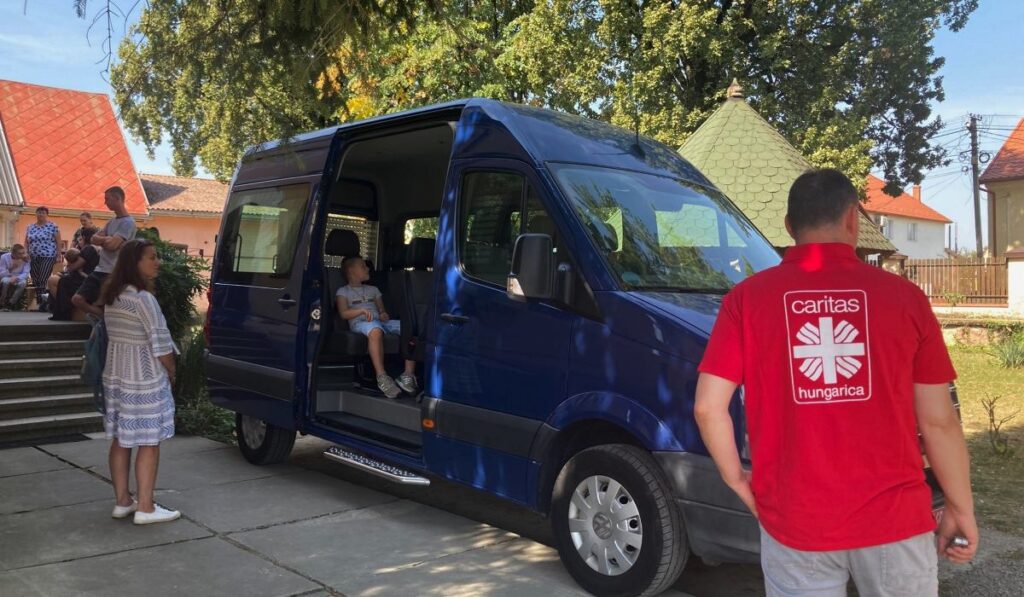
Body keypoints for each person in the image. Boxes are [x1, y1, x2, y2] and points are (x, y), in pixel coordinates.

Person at [694, 169, 977, 596]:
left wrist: (737, 481)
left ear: (789, 227)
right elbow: (938, 422)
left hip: (795, 521)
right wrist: (960, 507)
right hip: (894, 519)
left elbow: (708, 408)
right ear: (852, 219)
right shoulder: (905, 299)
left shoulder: (746, 300)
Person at [99, 239, 180, 525]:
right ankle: (145, 507)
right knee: (149, 440)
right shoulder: (143, 299)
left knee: (121, 439)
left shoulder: (114, 296)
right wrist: (172, 371)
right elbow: (161, 345)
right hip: (143, 380)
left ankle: (123, 501)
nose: (157, 262)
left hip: (117, 377)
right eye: (151, 257)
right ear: (135, 262)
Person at [335, 256, 418, 398]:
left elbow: (382, 311)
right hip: (360, 323)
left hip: (379, 321)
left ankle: (408, 374)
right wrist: (361, 311)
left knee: (409, 327)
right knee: (375, 330)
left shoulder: (373, 289)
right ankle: (382, 376)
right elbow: (343, 313)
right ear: (351, 271)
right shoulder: (343, 291)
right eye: (363, 266)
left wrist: (383, 314)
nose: (368, 268)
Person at [72, 186, 136, 317]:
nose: (105, 202)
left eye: (107, 199)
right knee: (77, 299)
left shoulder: (128, 223)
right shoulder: (111, 222)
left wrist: (106, 240)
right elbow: (93, 239)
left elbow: (112, 246)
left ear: (117, 198)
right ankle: (103, 318)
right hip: (99, 270)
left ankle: (104, 321)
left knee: (106, 304)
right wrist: (107, 239)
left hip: (113, 272)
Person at [48, 227, 99, 321]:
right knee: (58, 280)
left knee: (63, 282)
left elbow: (74, 267)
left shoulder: (89, 249)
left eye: (81, 238)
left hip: (85, 279)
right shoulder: (95, 248)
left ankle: (64, 312)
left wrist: (69, 265)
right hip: (89, 277)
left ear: (84, 237)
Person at [25, 206, 63, 311]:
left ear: (47, 214)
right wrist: (25, 252)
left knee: (43, 278)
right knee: (35, 279)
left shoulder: (53, 226)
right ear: (36, 214)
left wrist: (59, 255)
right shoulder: (30, 227)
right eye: (39, 212)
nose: (40, 214)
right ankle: (41, 301)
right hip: (33, 256)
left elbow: (58, 241)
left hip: (48, 255)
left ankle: (42, 302)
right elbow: (26, 241)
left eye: (43, 212)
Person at [0, 244, 31, 310]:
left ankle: (11, 303)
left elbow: (26, 273)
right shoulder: (4, 257)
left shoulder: (26, 259)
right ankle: (2, 301)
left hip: (19, 277)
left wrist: (17, 278)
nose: (22, 255)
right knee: (5, 282)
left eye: (23, 253)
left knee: (22, 283)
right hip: (7, 276)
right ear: (13, 253)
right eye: (20, 253)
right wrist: (11, 268)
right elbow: (1, 273)